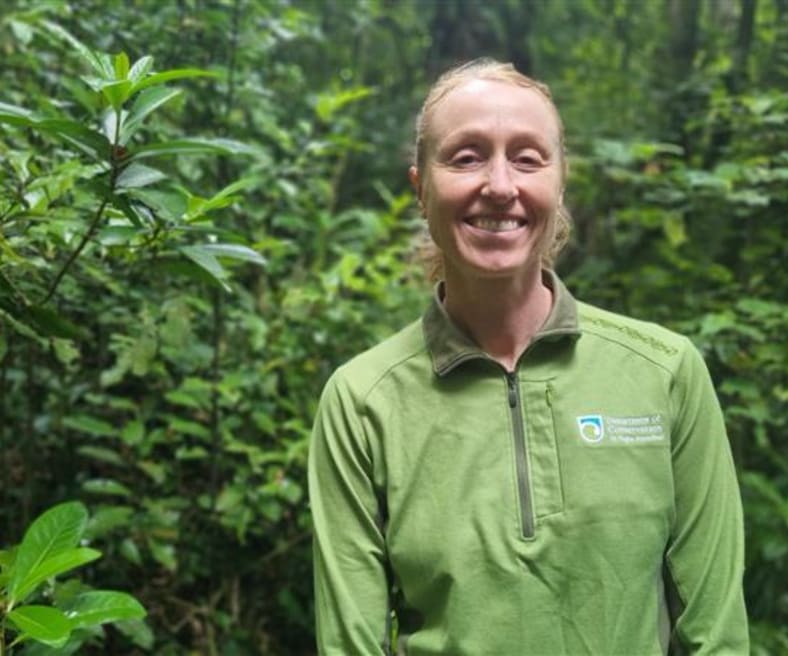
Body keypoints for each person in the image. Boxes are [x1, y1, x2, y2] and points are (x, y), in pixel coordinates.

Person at [308, 59, 748, 655]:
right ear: (420, 188)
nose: (499, 184)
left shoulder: (665, 372)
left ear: (560, 182)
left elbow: (717, 634)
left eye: (527, 157)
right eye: (465, 157)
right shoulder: (362, 400)